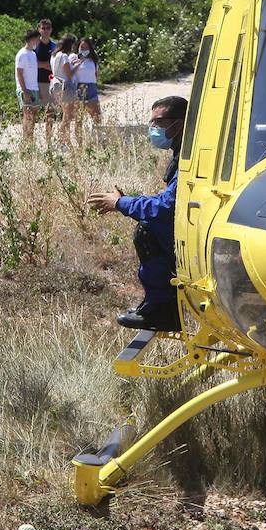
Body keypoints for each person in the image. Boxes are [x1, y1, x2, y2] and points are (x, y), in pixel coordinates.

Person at [87, 95, 187, 332]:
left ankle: (162, 309)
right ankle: (157, 304)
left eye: (159, 123)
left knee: (147, 233)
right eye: (151, 123)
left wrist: (122, 203)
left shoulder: (189, 156)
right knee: (147, 225)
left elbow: (166, 206)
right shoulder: (183, 150)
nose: (153, 129)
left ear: (180, 123)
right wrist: (126, 202)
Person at [49, 33, 79, 146]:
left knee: (65, 114)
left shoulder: (54, 55)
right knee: (67, 116)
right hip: (65, 86)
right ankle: (63, 140)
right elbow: (69, 74)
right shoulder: (64, 56)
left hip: (55, 85)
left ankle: (64, 140)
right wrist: (78, 65)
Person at [73, 36, 103, 137]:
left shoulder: (93, 61)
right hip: (79, 88)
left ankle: (96, 139)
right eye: (82, 47)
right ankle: (79, 143)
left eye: (86, 48)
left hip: (92, 88)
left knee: (97, 117)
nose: (84, 50)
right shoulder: (74, 59)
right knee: (78, 119)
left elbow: (96, 75)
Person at [15, 28, 42, 142]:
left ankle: (30, 139)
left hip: (34, 88)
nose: (38, 41)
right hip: (25, 89)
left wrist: (38, 89)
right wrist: (25, 92)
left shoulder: (33, 54)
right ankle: (26, 141)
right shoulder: (22, 54)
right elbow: (19, 73)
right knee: (28, 115)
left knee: (34, 115)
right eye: (37, 39)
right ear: (32, 39)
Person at [34, 18, 57, 146]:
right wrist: (46, 65)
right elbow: (32, 64)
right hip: (35, 83)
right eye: (43, 28)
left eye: (48, 28)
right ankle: (30, 141)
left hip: (50, 83)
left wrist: (41, 64)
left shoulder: (55, 47)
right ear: (39, 29)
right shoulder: (34, 46)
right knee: (33, 112)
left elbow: (54, 65)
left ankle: (48, 141)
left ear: (51, 30)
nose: (45, 31)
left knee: (50, 113)